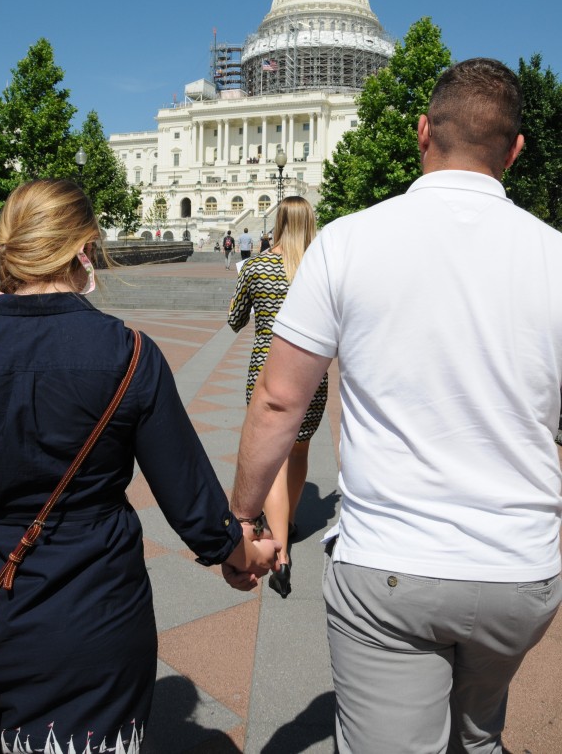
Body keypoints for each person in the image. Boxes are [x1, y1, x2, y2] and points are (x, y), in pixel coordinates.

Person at [228, 59, 562, 753]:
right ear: (516, 149)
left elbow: (280, 398)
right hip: (521, 567)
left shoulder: (348, 239)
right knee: (478, 736)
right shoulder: (554, 254)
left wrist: (242, 514)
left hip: (391, 562)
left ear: (421, 132)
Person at [0, 179, 278, 754]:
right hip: (93, 600)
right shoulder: (127, 352)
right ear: (86, 247)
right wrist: (240, 553)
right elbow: (189, 499)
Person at [228, 196, 328, 598]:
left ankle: (280, 551)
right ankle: (286, 523)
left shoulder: (256, 266)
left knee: (271, 459)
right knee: (298, 453)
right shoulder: (320, 270)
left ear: (278, 222)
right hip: (312, 378)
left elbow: (234, 320)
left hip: (266, 376)